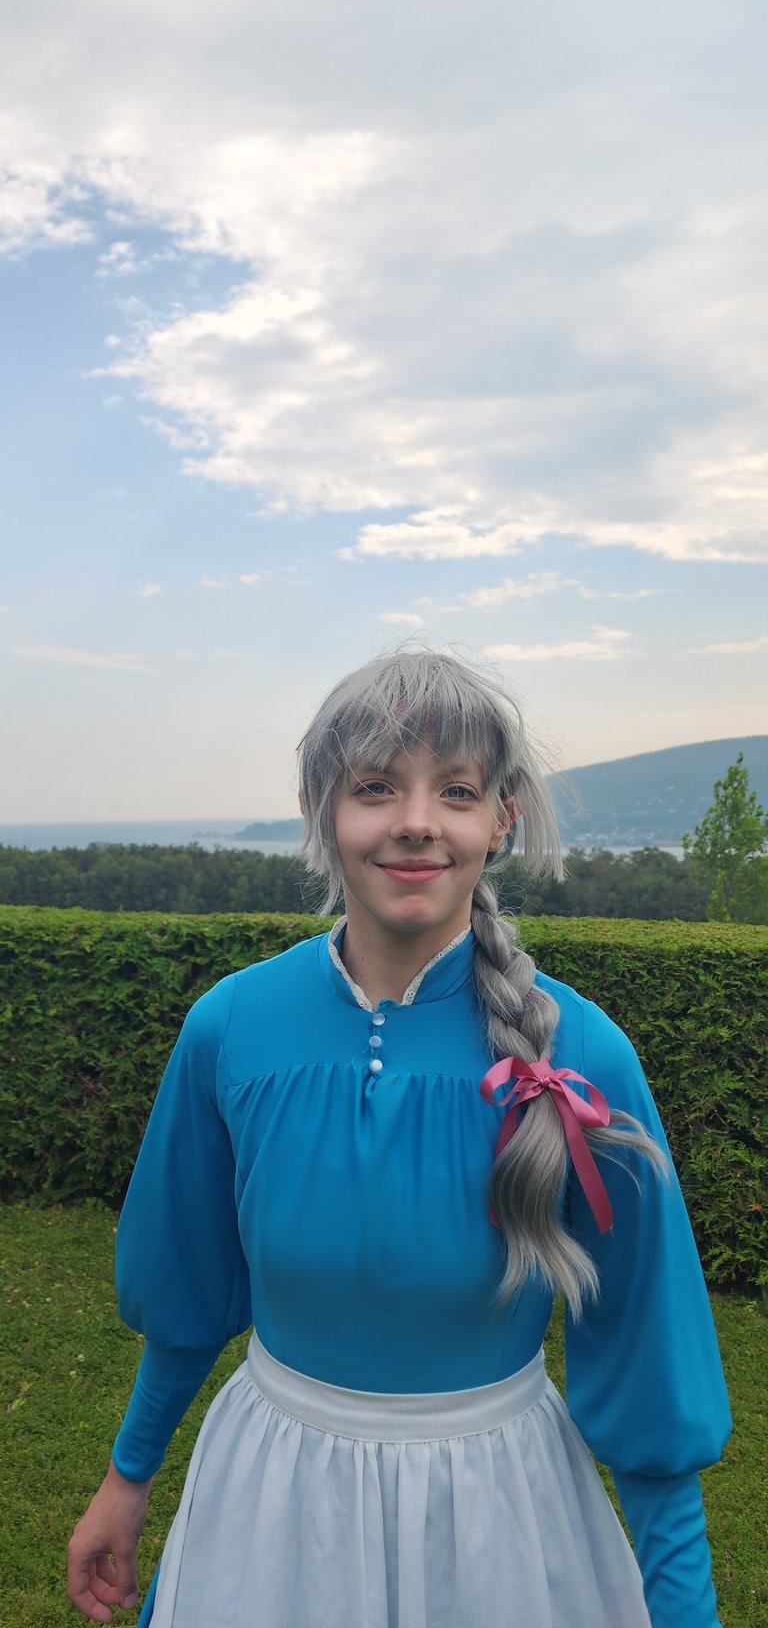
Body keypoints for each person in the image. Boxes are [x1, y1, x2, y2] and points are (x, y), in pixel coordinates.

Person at [67, 645, 731, 1628]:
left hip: (498, 1517)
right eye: (376, 786)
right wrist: (129, 1477)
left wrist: (685, 1612)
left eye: (456, 790)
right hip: (269, 1502)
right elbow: (188, 1294)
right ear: (321, 808)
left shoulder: (585, 1053)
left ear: (500, 818)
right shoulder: (229, 1028)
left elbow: (648, 1361)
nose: (416, 821)